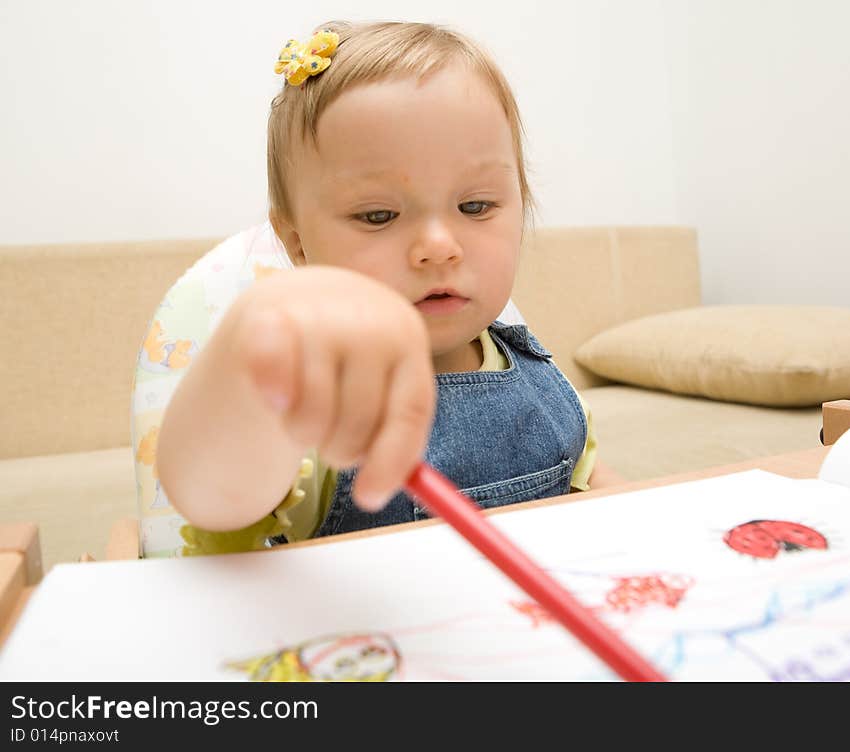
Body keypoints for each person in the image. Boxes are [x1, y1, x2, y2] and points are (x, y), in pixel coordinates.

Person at [155, 20, 622, 556]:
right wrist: (250, 345)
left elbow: (600, 491)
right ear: (299, 246)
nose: (439, 245)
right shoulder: (309, 400)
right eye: (378, 215)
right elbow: (211, 496)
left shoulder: (535, 372)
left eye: (475, 206)